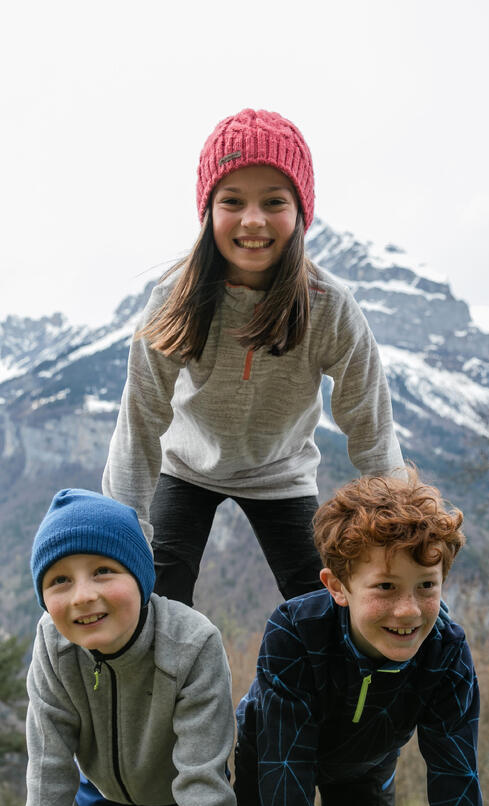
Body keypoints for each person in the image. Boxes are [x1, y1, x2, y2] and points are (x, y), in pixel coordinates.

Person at [102, 108, 404, 607]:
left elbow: (368, 422)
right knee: (154, 598)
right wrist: (121, 534)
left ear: (301, 212)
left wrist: (400, 525)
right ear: (208, 212)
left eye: (274, 201)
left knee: (328, 604)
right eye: (233, 201)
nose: (253, 219)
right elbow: (139, 421)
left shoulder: (327, 304)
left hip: (280, 470)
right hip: (185, 467)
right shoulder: (174, 298)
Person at [233, 469, 481, 806]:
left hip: (366, 766)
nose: (407, 610)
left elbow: (456, 779)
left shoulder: (446, 650)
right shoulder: (294, 632)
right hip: (266, 761)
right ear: (337, 587)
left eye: (426, 585)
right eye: (385, 586)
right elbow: (285, 769)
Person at [12, 489, 243, 806]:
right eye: (59, 579)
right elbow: (47, 772)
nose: (82, 595)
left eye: (103, 570)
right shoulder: (53, 644)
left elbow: (203, 780)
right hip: (101, 797)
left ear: (140, 576)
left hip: (173, 800)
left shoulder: (192, 644)